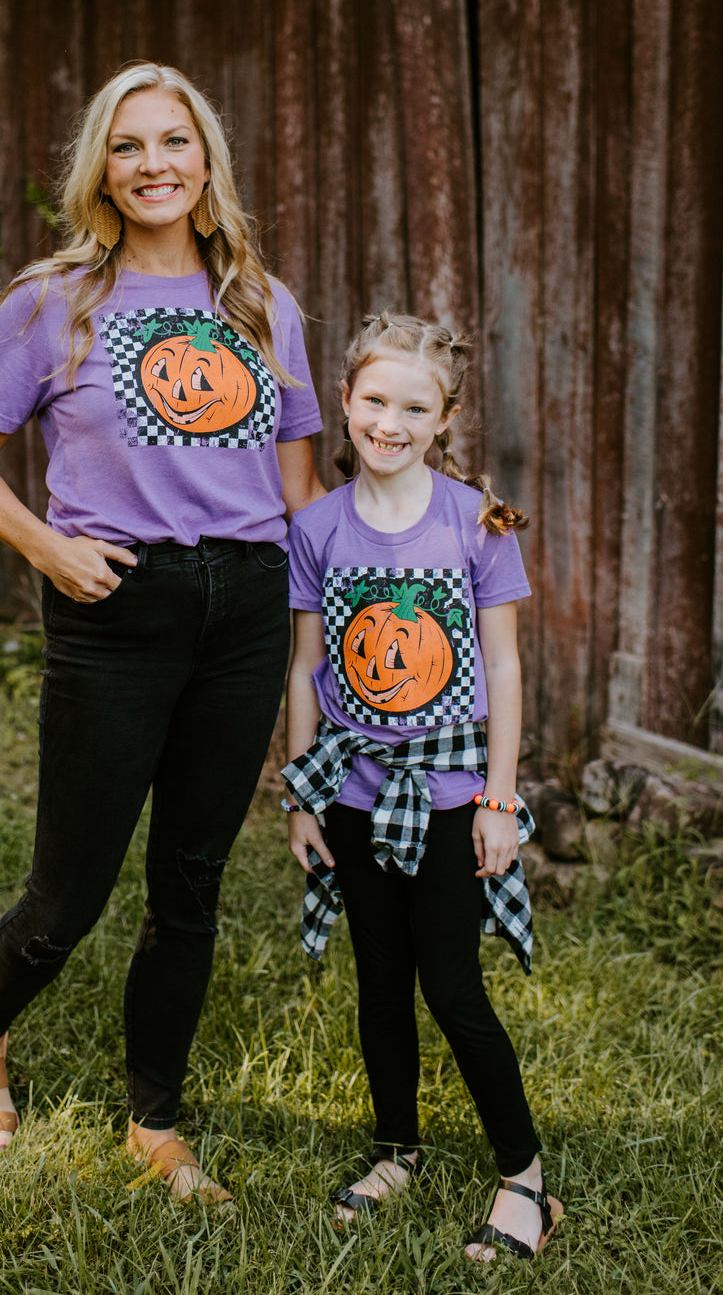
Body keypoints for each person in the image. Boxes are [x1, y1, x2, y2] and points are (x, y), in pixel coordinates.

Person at [0, 60, 324, 1206]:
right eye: (128, 145)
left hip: (244, 607)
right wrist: (50, 550)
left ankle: (153, 1118)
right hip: (116, 608)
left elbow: (302, 495)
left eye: (173, 142)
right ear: (100, 170)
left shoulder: (261, 301)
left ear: (206, 161)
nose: (153, 164)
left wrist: (357, 602)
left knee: (192, 881)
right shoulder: (52, 304)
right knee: (71, 891)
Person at [281, 311, 563, 1260]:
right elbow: (307, 669)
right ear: (347, 402)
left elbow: (508, 671)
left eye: (414, 406)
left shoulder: (474, 524)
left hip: (447, 796)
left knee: (450, 986)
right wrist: (302, 797)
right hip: (355, 795)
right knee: (378, 982)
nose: (389, 421)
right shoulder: (316, 528)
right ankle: (395, 1148)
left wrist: (497, 800)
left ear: (444, 418)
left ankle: (525, 1179)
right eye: (373, 400)